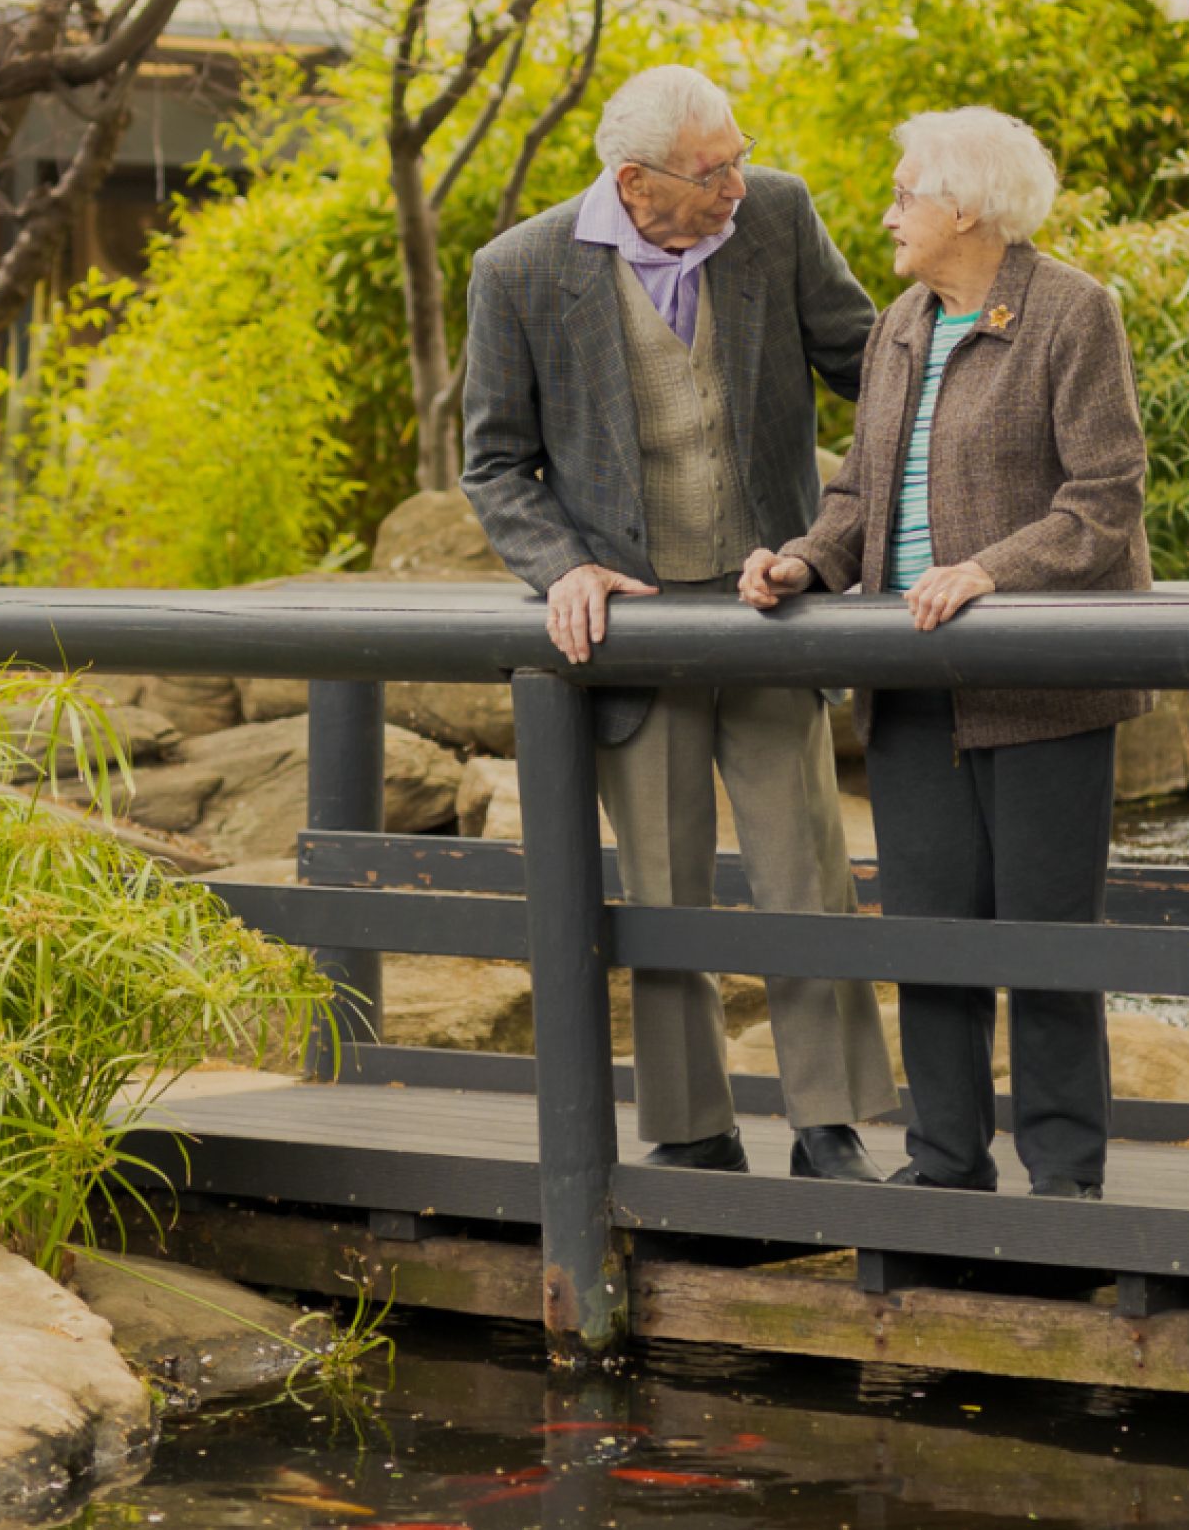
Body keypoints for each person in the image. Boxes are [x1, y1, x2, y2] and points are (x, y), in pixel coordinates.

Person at [458, 63, 897, 1182]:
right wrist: (564, 568)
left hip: (770, 607)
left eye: (741, 156)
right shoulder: (517, 272)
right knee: (662, 879)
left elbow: (871, 368)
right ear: (634, 183)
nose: (737, 184)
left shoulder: (777, 217)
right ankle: (693, 1130)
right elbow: (497, 464)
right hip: (636, 627)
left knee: (807, 864)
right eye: (714, 172)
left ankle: (828, 1122)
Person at [737, 107, 1150, 1200]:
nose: (889, 213)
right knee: (930, 947)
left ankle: (1065, 1188)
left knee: (1048, 952)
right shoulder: (901, 326)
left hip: (1043, 687)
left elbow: (1104, 496)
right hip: (913, 684)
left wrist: (990, 572)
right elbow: (859, 494)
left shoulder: (1071, 312)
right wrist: (803, 565)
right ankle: (947, 1172)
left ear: (966, 206)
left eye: (905, 193)